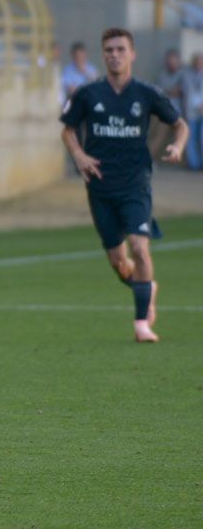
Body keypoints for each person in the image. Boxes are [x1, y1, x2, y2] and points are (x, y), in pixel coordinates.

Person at [59, 27, 190, 344]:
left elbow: (180, 124)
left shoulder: (146, 93)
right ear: (103, 55)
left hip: (135, 185)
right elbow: (68, 129)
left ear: (132, 54)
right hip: (100, 188)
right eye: (109, 50)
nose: (114, 55)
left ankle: (141, 323)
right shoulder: (87, 94)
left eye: (120, 49)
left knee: (140, 248)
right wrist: (78, 154)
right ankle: (148, 289)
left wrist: (177, 146)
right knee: (120, 263)